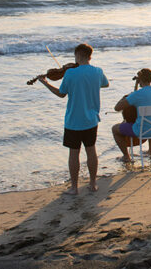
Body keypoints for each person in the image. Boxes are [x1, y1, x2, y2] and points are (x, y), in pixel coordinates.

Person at [38, 43, 109, 194]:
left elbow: (61, 93)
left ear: (78, 55)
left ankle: (74, 187)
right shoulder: (97, 71)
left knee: (74, 153)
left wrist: (46, 83)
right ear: (90, 56)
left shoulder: (70, 74)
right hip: (91, 120)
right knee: (91, 151)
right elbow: (105, 84)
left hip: (73, 121)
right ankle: (93, 183)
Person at [112, 68, 151, 163]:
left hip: (142, 131)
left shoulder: (137, 94)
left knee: (115, 129)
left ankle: (126, 156)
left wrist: (126, 98)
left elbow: (117, 108)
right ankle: (150, 151)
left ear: (140, 79)